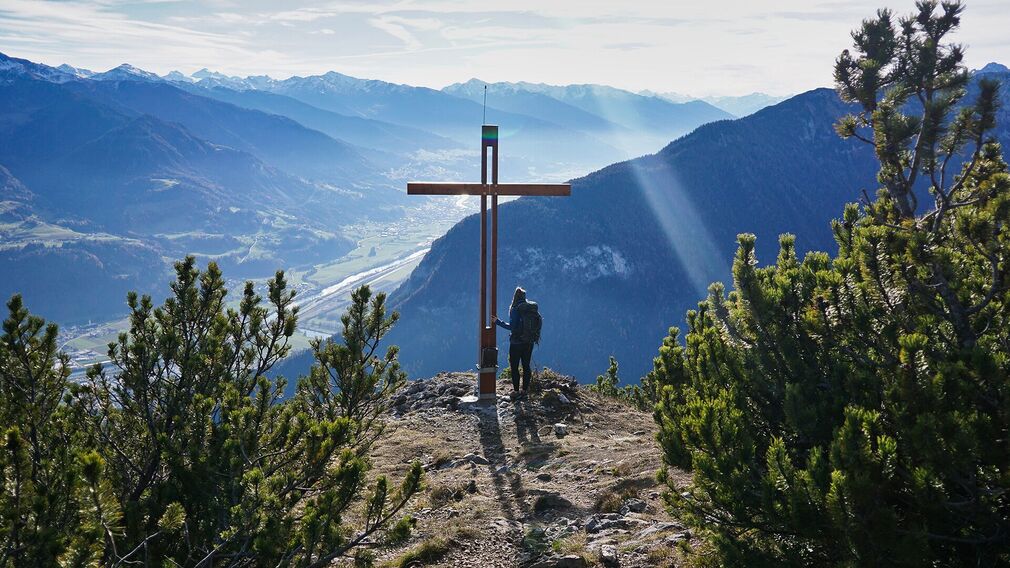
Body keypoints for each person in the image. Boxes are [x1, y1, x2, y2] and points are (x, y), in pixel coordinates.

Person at [495, 286, 535, 400]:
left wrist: (498, 322)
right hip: (529, 342)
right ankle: (525, 390)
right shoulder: (530, 309)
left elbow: (512, 327)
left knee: (514, 366)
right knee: (526, 366)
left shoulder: (515, 309)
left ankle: (516, 391)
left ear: (515, 297)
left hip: (516, 343)